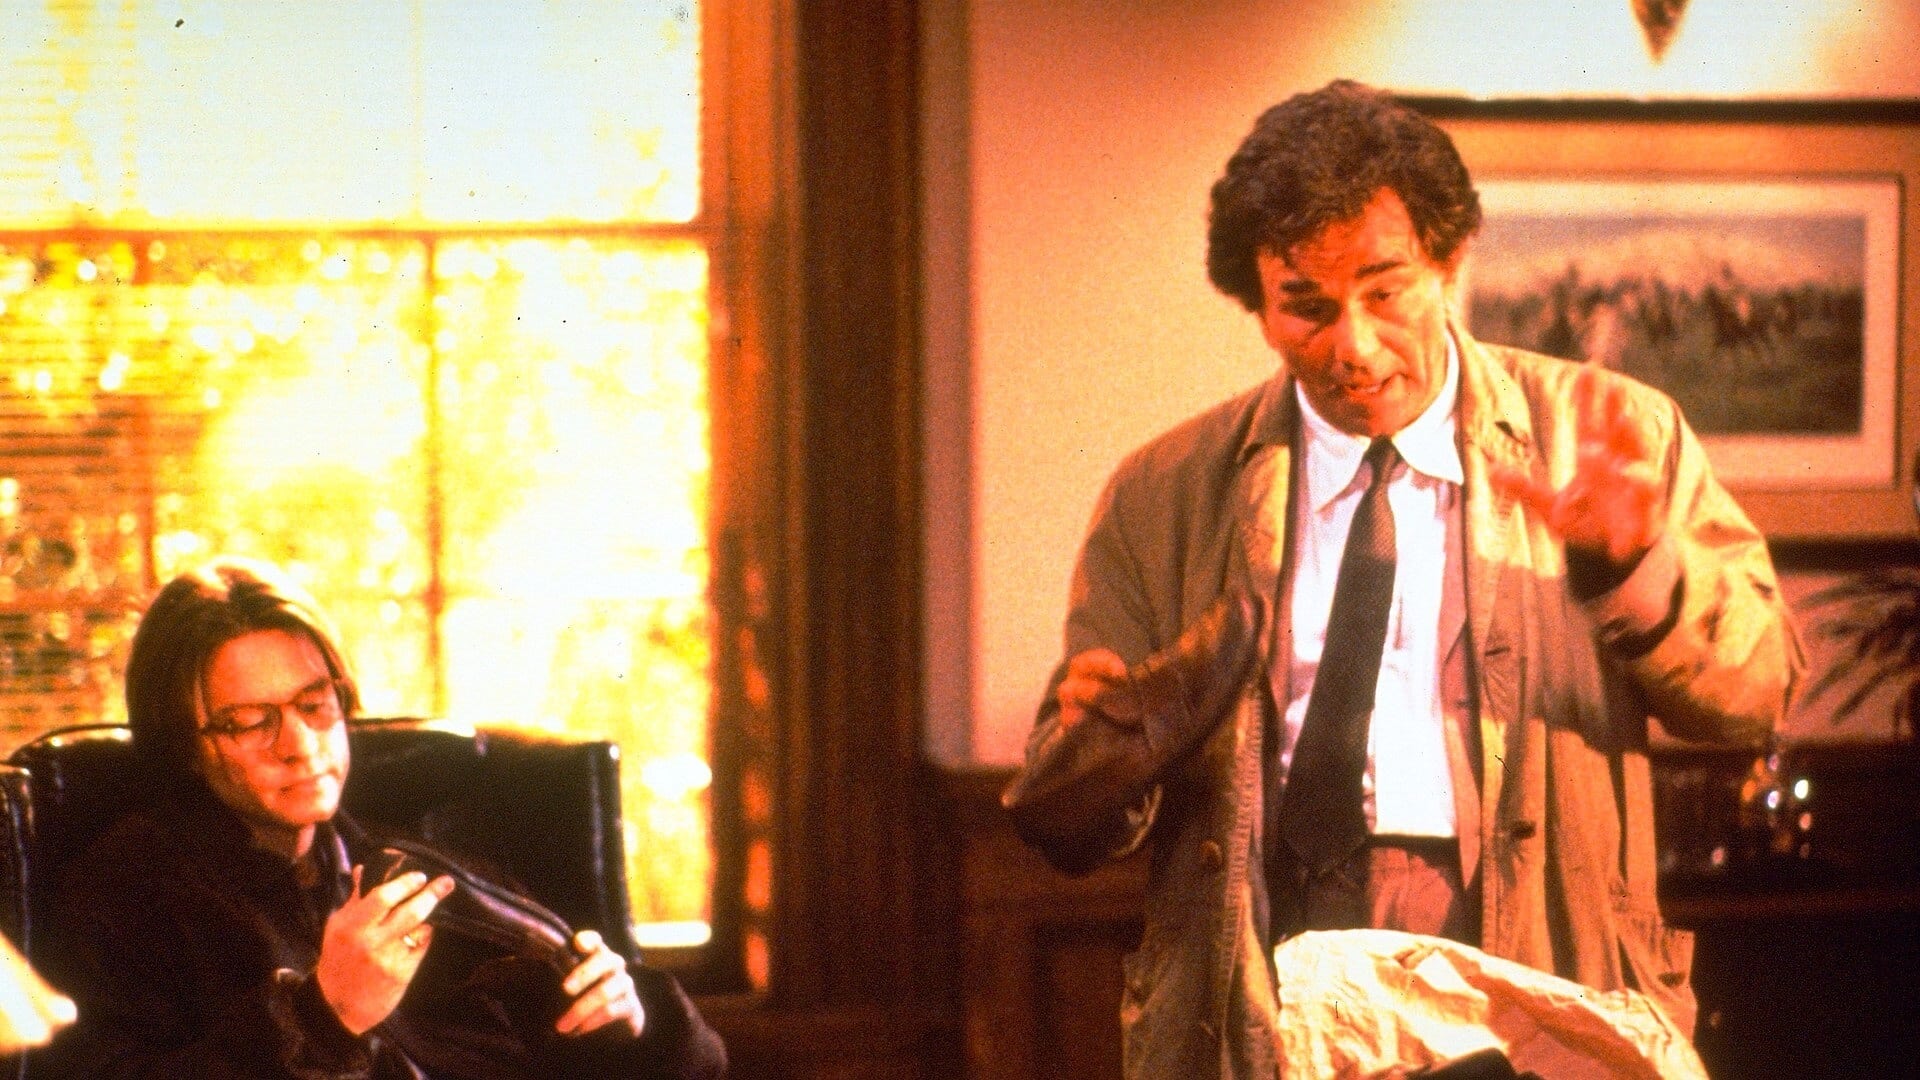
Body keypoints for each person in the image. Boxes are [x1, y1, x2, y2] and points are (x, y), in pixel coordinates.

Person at [1003, 80, 1799, 1079]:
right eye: (1307, 306)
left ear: (1449, 260)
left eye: (1386, 292)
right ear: (1259, 305)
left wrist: (1635, 569)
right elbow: (1067, 821)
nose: (1354, 346)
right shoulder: (1164, 494)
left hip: (1537, 976)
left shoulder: (1612, 434)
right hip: (1259, 990)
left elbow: (1757, 694)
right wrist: (1114, 745)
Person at [35, 556, 728, 1080]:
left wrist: (633, 1020)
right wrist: (321, 1018)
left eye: (315, 705)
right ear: (183, 745)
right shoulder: (121, 897)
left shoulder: (413, 869)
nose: (300, 746)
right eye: (250, 722)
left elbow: (696, 1060)